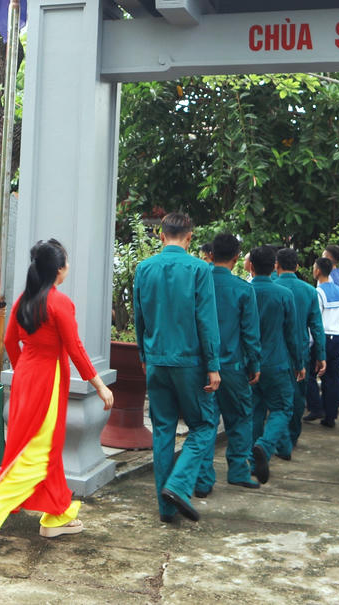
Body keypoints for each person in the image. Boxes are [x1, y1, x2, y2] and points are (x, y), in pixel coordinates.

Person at [0, 240, 113, 550]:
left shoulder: (24, 301)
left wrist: (25, 371)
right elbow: (75, 349)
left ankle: (57, 517)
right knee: (38, 455)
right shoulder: (59, 303)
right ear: (59, 269)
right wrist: (99, 385)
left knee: (47, 449)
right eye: (66, 262)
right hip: (47, 381)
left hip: (26, 377)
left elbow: (9, 341)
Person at [132, 211, 221, 524]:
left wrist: (144, 354)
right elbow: (206, 321)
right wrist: (213, 365)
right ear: (190, 236)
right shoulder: (199, 269)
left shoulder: (144, 268)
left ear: (160, 235)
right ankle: (178, 485)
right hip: (189, 362)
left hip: (156, 360)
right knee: (203, 426)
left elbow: (139, 317)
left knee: (163, 430)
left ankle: (166, 508)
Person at [195, 233, 261, 497]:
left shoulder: (199, 284)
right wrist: (254, 363)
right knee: (241, 417)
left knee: (206, 422)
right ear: (236, 258)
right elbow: (250, 333)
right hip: (234, 367)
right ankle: (238, 471)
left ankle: (202, 480)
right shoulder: (244, 289)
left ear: (210, 255)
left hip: (203, 367)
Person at [247, 245, 299, 478]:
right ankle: (265, 446)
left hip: (249, 363)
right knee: (282, 408)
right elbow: (292, 334)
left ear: (250, 266)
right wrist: (299, 363)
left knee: (255, 410)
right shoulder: (284, 295)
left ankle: (252, 456)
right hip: (277, 362)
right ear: (274, 266)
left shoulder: (245, 291)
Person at [274, 248, 325, 448]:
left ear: (276, 265)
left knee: (275, 398)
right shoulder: (310, 291)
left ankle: (274, 439)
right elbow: (317, 327)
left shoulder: (271, 288)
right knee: (296, 396)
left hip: (274, 351)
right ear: (297, 267)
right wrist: (321, 354)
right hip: (301, 351)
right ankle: (292, 436)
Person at [313, 257, 339, 428]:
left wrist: (313, 343)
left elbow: (317, 321)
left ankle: (321, 410)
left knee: (323, 377)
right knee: (334, 378)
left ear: (318, 271)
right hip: (338, 337)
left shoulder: (319, 293)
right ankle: (331, 415)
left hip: (325, 338)